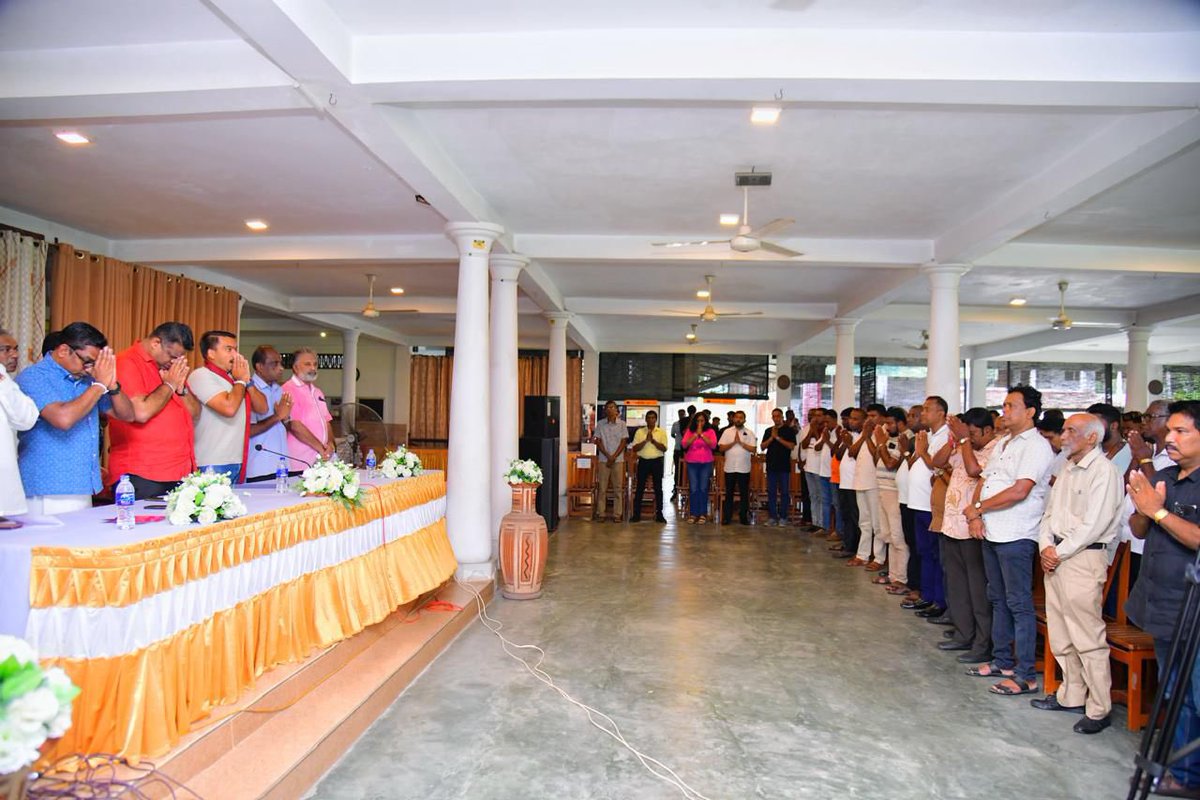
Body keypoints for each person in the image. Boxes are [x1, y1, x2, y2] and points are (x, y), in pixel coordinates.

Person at [1032, 413, 1122, 734]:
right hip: (1055, 556)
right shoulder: (1068, 466)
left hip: (1082, 559)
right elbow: (1049, 513)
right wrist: (1045, 546)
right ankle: (1071, 695)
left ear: (1092, 438)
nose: (1064, 435)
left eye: (1072, 431)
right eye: (1065, 430)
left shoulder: (1105, 472)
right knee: (1060, 631)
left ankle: (1099, 708)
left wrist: (1058, 551)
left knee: (1087, 636)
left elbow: (1094, 524)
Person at [1127, 400, 1200, 791]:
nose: (1168, 438)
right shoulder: (1166, 476)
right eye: (1168, 430)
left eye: (1181, 431)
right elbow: (1140, 530)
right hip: (1163, 603)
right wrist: (1142, 509)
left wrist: (1156, 512)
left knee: (1198, 696)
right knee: (1175, 690)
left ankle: (1188, 775)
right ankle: (1183, 773)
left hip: (1194, 611)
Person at [965, 385, 1055, 697]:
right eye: (1003, 405)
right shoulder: (1004, 442)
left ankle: (1025, 674)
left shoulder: (1037, 447)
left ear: (1030, 412)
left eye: (1011, 406)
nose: (1005, 411)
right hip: (992, 529)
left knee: (1019, 603)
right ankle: (1002, 661)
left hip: (1017, 534)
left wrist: (979, 508)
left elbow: (1020, 491)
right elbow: (985, 481)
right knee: (998, 599)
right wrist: (976, 514)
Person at [16, 322, 135, 515]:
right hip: (48, 488)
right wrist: (99, 385)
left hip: (82, 485)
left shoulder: (88, 380)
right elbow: (63, 419)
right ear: (63, 350)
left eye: (93, 364)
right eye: (86, 361)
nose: (89, 369)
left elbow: (127, 415)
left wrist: (112, 386)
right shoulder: (34, 377)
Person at [106, 322, 201, 499]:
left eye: (179, 358)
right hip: (142, 473)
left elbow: (195, 413)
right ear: (156, 343)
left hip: (179, 470)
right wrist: (169, 385)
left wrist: (181, 389)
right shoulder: (127, 362)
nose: (174, 362)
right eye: (172, 356)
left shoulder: (168, 370)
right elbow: (140, 413)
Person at [939, 408, 999, 663]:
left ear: (987, 430)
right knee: (957, 585)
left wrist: (964, 441)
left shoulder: (995, 449)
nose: (971, 437)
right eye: (968, 433)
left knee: (977, 589)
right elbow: (938, 463)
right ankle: (963, 633)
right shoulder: (964, 446)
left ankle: (982, 643)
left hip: (974, 529)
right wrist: (955, 440)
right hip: (952, 524)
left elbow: (974, 471)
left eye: (974, 433)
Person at [187, 330, 253, 482]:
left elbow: (262, 408)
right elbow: (229, 408)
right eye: (229, 349)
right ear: (211, 353)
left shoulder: (233, 379)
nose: (235, 355)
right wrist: (241, 381)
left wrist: (246, 380)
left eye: (236, 349)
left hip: (235, 459)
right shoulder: (201, 375)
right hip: (212, 461)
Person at [908, 396, 953, 617]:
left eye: (927, 410)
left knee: (935, 555)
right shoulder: (929, 435)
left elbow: (937, 467)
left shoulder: (947, 436)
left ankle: (939, 600)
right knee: (924, 552)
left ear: (941, 413)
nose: (923, 413)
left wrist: (923, 451)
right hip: (918, 502)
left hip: (931, 505)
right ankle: (927, 596)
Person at [0, 328, 38, 527]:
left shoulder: (7, 382)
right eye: (5, 350)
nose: (14, 354)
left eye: (15, 349)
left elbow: (27, 419)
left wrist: (3, 380)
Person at [871, 408, 909, 594]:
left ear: (901, 422)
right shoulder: (888, 439)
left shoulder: (905, 439)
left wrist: (880, 444)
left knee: (897, 537)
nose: (887, 426)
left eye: (891, 423)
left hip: (894, 493)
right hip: (882, 489)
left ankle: (901, 578)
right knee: (887, 534)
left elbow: (890, 464)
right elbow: (877, 459)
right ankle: (893, 574)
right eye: (886, 423)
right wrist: (882, 445)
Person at [246, 345, 295, 481]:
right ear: (259, 367)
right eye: (274, 363)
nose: (281, 368)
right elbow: (248, 430)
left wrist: (285, 419)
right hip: (260, 466)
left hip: (281, 464)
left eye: (281, 363)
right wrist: (277, 416)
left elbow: (283, 422)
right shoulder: (249, 389)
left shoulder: (278, 389)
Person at [282, 347, 336, 470]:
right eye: (307, 364)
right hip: (300, 460)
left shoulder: (318, 392)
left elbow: (326, 422)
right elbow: (295, 426)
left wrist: (330, 443)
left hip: (322, 459)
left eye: (315, 364)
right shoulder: (288, 390)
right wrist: (321, 448)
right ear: (295, 368)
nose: (313, 368)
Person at [850, 404, 886, 568]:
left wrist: (867, 436)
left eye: (874, 416)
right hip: (861, 482)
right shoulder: (864, 433)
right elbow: (853, 452)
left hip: (874, 483)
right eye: (869, 416)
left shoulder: (882, 433)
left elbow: (876, 458)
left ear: (882, 418)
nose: (870, 419)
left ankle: (878, 557)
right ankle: (862, 554)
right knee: (864, 521)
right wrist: (864, 435)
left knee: (877, 523)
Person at [592, 400, 628, 522]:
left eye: (612, 407)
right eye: (607, 407)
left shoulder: (622, 424)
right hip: (603, 460)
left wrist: (613, 457)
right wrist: (608, 456)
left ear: (616, 410)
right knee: (602, 488)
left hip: (618, 460)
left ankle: (617, 514)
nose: (609, 409)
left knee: (618, 488)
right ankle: (601, 513)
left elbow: (624, 442)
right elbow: (598, 441)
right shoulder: (600, 424)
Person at [629, 410, 668, 523]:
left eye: (653, 418)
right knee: (640, 488)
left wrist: (654, 441)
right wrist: (646, 440)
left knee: (658, 488)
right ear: (646, 419)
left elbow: (664, 449)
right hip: (643, 461)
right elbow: (635, 448)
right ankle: (636, 514)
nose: (651, 420)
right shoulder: (640, 432)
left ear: (656, 420)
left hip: (657, 462)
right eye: (648, 417)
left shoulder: (661, 432)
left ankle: (659, 514)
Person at [761, 407, 797, 526]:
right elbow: (762, 446)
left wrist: (777, 438)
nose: (776, 418)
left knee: (785, 493)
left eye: (778, 416)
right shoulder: (768, 431)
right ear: (772, 418)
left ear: (782, 417)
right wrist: (772, 437)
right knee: (771, 492)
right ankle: (772, 517)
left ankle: (783, 517)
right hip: (771, 466)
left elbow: (791, 446)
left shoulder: (789, 430)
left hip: (784, 466)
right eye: (774, 416)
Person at [719, 410, 756, 525]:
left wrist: (741, 443)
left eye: (741, 417)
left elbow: (753, 449)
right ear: (733, 419)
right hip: (730, 467)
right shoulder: (727, 432)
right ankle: (727, 517)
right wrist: (733, 443)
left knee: (744, 494)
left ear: (744, 420)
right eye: (736, 417)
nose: (738, 419)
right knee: (729, 493)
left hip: (744, 468)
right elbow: (721, 449)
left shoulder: (749, 433)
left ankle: (743, 517)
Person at [682, 410, 717, 524]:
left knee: (703, 488)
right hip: (692, 462)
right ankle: (693, 514)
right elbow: (684, 444)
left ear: (706, 421)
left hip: (706, 462)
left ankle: (702, 514)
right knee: (693, 488)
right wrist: (695, 435)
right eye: (697, 421)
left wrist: (702, 435)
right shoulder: (689, 431)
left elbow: (713, 445)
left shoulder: (710, 431)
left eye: (702, 421)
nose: (700, 423)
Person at [1088, 402, 1131, 476]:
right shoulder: (1091, 451)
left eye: (1095, 423)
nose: (1090, 428)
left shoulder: (1129, 452)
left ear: (1113, 426)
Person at [800, 409, 826, 532]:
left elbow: (819, 445)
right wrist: (811, 430)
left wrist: (815, 430)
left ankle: (821, 524)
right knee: (813, 496)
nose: (816, 418)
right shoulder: (809, 429)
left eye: (819, 416)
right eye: (815, 416)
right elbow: (804, 445)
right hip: (809, 467)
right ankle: (815, 522)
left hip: (819, 469)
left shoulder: (825, 430)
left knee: (821, 497)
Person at [670, 408, 688, 502]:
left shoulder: (688, 424)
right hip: (677, 448)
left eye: (682, 413)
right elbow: (672, 434)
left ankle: (685, 488)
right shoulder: (675, 424)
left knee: (686, 471)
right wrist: (678, 438)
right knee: (677, 469)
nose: (681, 415)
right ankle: (676, 488)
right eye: (680, 414)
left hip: (686, 450)